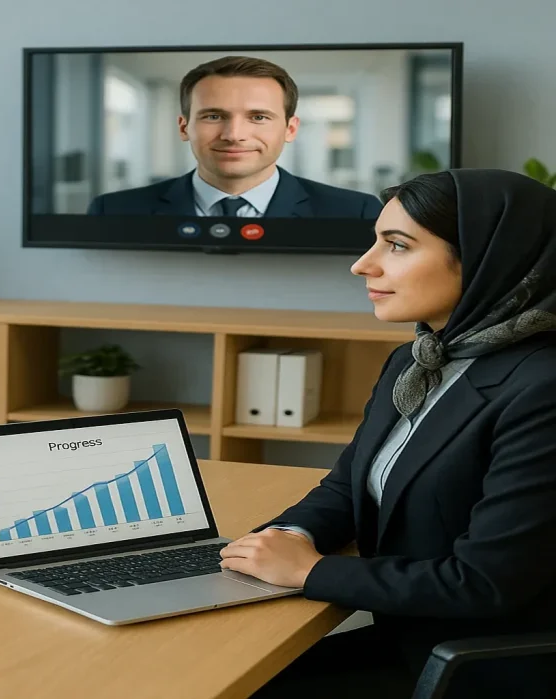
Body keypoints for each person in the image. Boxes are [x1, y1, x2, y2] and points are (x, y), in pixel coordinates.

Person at [216, 169, 556, 698]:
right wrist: (287, 538)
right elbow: (348, 485)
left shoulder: (542, 388)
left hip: (474, 669)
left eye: (396, 246)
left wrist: (311, 572)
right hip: (405, 637)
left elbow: (484, 583)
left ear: (488, 257)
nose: (362, 265)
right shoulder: (418, 358)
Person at [86, 56, 382, 220]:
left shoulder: (356, 213)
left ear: (290, 129)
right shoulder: (112, 211)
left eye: (258, 117)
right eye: (214, 116)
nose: (234, 135)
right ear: (184, 127)